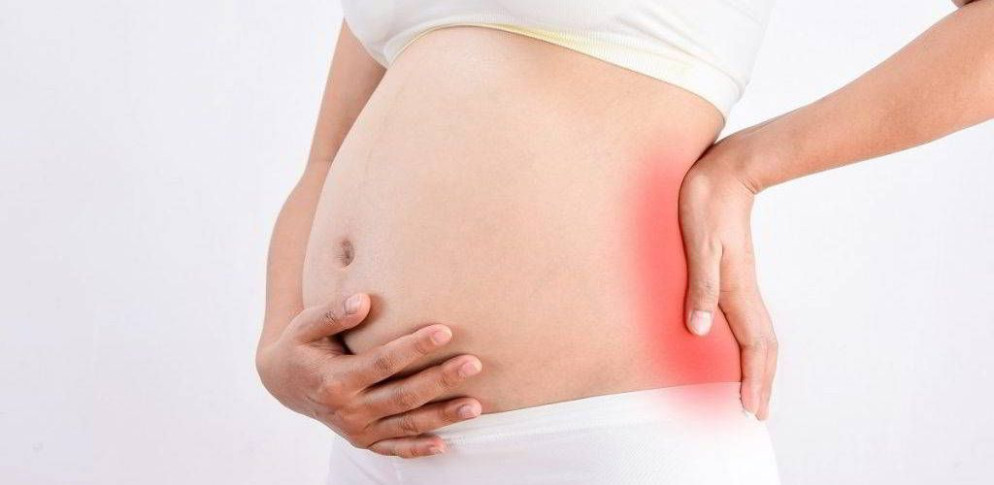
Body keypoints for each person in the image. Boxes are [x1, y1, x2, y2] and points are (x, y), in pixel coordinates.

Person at [255, 0, 993, 483]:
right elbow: (327, 158)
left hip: (606, 432)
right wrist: (277, 345)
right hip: (378, 447)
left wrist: (747, 166)